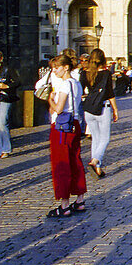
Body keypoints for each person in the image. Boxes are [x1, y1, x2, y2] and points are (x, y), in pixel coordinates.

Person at [46, 54, 86, 218]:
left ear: (66, 67)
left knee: (61, 163)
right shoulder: (76, 83)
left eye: (57, 67)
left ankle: (64, 205)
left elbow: (59, 108)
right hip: (75, 124)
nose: (54, 70)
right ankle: (80, 199)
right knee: (75, 160)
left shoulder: (63, 85)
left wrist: (50, 100)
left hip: (62, 127)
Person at [80, 49, 117, 179]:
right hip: (103, 108)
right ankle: (95, 161)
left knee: (95, 138)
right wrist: (115, 110)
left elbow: (81, 91)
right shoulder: (106, 73)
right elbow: (110, 93)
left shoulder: (84, 74)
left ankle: (98, 168)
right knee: (105, 139)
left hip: (89, 109)